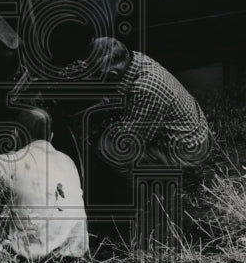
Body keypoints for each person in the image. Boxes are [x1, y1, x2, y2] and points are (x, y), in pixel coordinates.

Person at [74, 37, 213, 251]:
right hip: (175, 131)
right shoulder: (132, 60)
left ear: (111, 75)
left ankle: (147, 207)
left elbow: (128, 143)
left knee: (107, 150)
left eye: (93, 76)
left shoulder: (146, 88)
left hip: (186, 148)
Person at [0, 108, 88, 261]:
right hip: (73, 262)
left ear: (15, 134)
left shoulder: (12, 162)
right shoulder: (69, 162)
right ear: (51, 137)